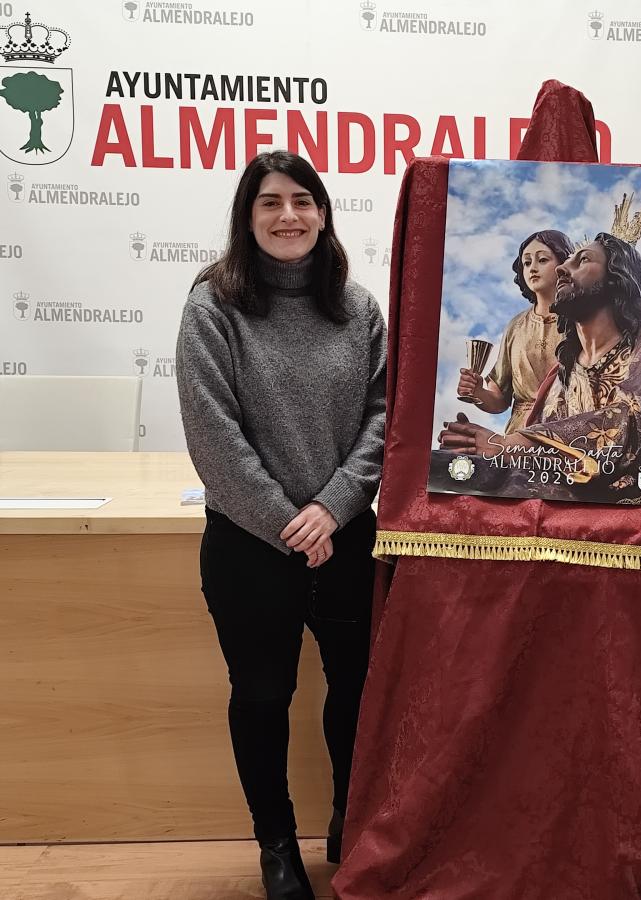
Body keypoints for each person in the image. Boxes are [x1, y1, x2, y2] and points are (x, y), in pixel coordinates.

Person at [175, 150, 386, 900]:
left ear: (323, 214)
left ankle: (348, 819)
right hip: (248, 545)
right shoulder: (212, 306)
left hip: (349, 536)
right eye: (270, 202)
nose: (288, 215)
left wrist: (333, 507)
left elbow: (382, 420)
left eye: (303, 200)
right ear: (248, 216)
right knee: (262, 693)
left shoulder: (357, 309)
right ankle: (276, 846)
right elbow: (212, 432)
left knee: (356, 687)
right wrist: (286, 521)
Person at [439, 231, 641, 500]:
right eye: (566, 262)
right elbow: (545, 458)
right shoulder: (564, 370)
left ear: (616, 278)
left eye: (583, 260)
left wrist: (508, 446)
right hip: (572, 493)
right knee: (452, 476)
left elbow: (630, 419)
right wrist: (474, 453)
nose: (563, 268)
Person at [456, 229, 573, 433]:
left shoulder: (579, 320)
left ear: (564, 266)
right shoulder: (516, 326)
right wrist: (477, 391)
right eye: (527, 263)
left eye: (543, 260)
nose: (532, 268)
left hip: (567, 429)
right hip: (519, 435)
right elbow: (500, 399)